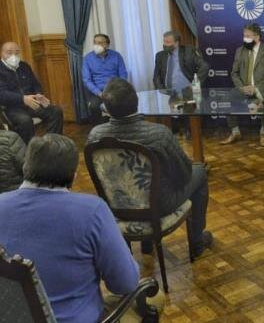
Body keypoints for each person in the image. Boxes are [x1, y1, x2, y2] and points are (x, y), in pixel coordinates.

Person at [0, 134, 140, 323]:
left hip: (4, 316)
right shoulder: (92, 211)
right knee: (152, 297)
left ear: (25, 167)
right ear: (74, 176)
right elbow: (125, 283)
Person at [87, 78, 213, 257]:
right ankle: (197, 241)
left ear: (106, 108)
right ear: (136, 101)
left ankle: (146, 245)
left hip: (116, 208)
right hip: (160, 205)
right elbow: (184, 174)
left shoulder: (95, 136)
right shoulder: (159, 134)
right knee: (199, 171)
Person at [0, 42, 64, 143]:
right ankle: (27, 149)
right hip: (10, 108)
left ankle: (52, 144)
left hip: (31, 103)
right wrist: (22, 99)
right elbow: (0, 94)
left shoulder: (24, 66)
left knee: (55, 111)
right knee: (25, 121)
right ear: (1, 53)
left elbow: (35, 83)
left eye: (16, 53)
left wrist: (39, 94)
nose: (13, 56)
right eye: (9, 52)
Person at [222, 23, 264, 147]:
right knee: (226, 99)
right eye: (244, 35)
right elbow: (234, 73)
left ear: (257, 37)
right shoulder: (239, 51)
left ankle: (263, 132)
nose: (245, 38)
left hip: (263, 88)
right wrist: (242, 88)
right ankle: (235, 132)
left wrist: (256, 88)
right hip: (244, 89)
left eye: (248, 36)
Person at [82, 34, 128, 123]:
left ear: (107, 45)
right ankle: (99, 129)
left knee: (123, 104)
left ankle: (119, 126)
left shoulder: (116, 56)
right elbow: (87, 80)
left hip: (114, 89)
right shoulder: (88, 58)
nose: (96, 45)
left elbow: (123, 74)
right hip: (97, 91)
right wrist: (99, 93)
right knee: (94, 106)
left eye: (100, 43)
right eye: (95, 42)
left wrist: (117, 89)